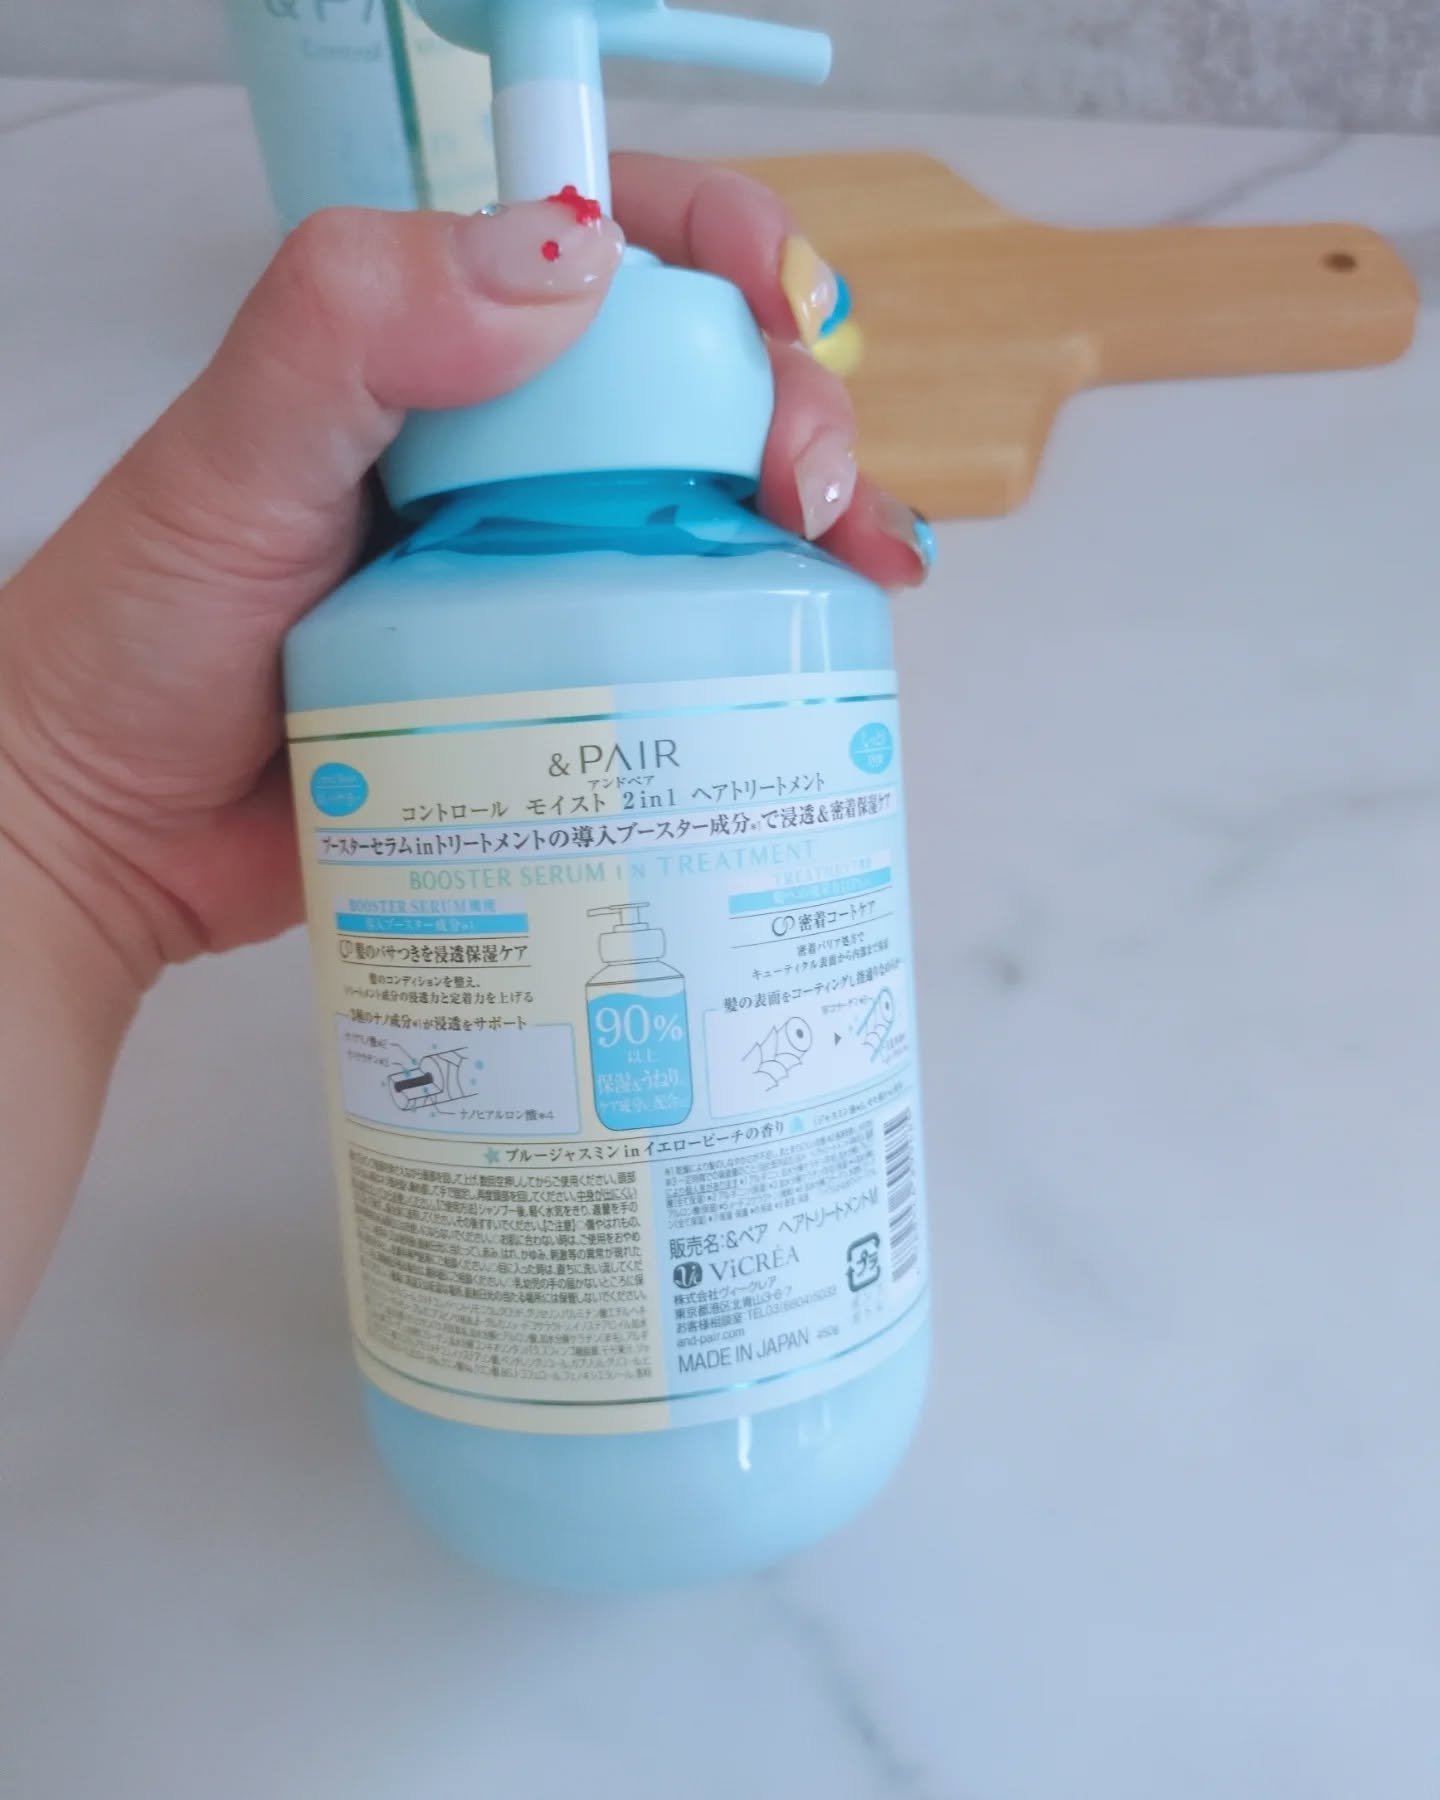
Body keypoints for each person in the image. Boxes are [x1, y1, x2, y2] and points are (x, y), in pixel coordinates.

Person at [0, 156, 932, 1348]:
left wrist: (54, 818)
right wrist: (55, 812)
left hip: (792, 1286)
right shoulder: (358, 621)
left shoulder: (787, 606)